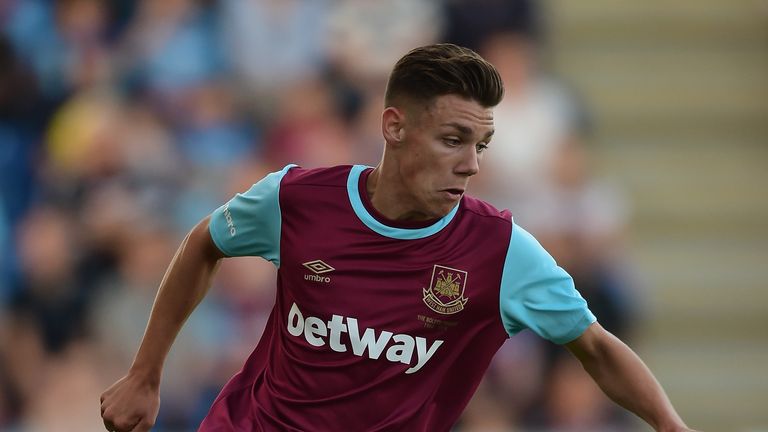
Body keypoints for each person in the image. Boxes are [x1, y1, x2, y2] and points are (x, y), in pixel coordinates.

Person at [100, 44, 696, 432]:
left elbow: (596, 346)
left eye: (480, 145)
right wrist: (145, 374)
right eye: (452, 140)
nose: (471, 164)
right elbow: (204, 243)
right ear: (394, 126)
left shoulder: (501, 251)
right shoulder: (296, 198)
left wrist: (671, 426)